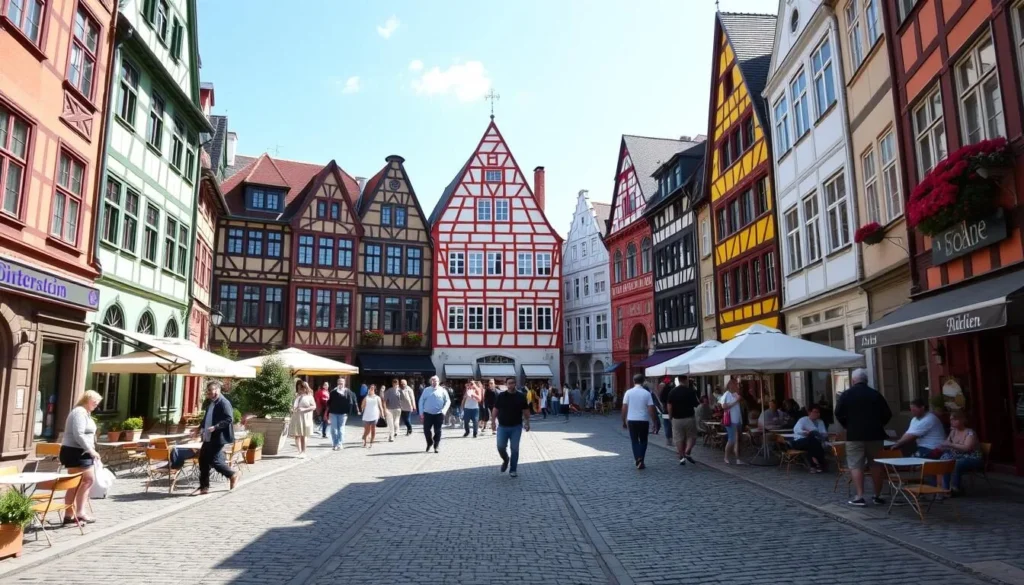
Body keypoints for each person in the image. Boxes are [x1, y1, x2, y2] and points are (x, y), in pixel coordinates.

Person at [835, 368, 892, 507]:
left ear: (853, 380)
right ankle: (877, 495)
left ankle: (860, 496)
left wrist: (847, 425)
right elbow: (887, 414)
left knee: (856, 465)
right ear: (866, 380)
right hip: (875, 434)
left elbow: (838, 413)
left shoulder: (847, 394)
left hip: (854, 435)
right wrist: (879, 425)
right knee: (876, 464)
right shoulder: (875, 394)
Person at [59, 390, 103, 524]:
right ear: (87, 399)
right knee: (87, 480)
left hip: (81, 452)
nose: (97, 404)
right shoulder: (79, 412)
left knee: (77, 483)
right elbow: (78, 434)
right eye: (95, 401)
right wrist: (90, 450)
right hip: (76, 452)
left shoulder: (85, 413)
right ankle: (79, 513)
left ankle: (70, 515)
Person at [191, 381, 238, 495]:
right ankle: (204, 487)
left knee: (214, 460)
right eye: (208, 392)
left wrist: (216, 427)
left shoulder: (224, 403)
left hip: (218, 437)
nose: (209, 394)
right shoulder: (211, 403)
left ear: (217, 390)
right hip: (208, 436)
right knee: (203, 460)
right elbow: (206, 419)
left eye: (210, 391)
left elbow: (229, 419)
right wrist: (198, 428)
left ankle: (232, 474)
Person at [492, 380, 531, 477]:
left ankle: (513, 469)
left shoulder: (521, 396)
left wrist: (527, 423)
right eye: (509, 383)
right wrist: (493, 422)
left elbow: (526, 411)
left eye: (513, 383)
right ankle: (506, 459)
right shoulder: (501, 396)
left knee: (514, 449)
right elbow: (495, 409)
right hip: (502, 427)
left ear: (515, 384)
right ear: (506, 385)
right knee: (500, 447)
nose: (511, 385)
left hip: (516, 427)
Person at [938, 411, 983, 495]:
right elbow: (947, 443)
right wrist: (943, 446)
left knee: (955, 464)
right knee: (944, 461)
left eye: (955, 419)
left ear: (962, 420)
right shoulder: (953, 432)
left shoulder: (970, 432)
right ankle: (945, 488)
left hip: (971, 458)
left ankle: (955, 489)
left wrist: (951, 445)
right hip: (958, 456)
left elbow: (967, 448)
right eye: (951, 420)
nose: (952, 422)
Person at [622, 373, 657, 469]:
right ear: (643, 381)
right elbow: (651, 409)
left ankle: (638, 459)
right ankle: (641, 459)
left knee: (634, 441)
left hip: (632, 419)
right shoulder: (646, 393)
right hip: (643, 420)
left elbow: (624, 407)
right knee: (643, 440)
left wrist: (623, 420)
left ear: (633, 381)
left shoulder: (628, 393)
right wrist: (654, 421)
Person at [667, 379, 700, 465]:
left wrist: (670, 416)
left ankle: (681, 456)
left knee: (678, 438)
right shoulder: (690, 391)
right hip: (689, 418)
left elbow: (669, 405)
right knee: (691, 436)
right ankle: (687, 451)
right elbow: (697, 403)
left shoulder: (672, 392)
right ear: (686, 381)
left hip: (677, 418)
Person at [792, 405, 829, 473]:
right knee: (812, 438)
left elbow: (824, 433)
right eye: (815, 412)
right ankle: (820, 463)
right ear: (809, 412)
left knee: (812, 443)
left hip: (814, 442)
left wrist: (822, 434)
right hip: (800, 441)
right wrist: (805, 432)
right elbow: (796, 429)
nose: (817, 414)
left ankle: (814, 465)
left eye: (818, 412)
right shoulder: (803, 420)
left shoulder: (820, 421)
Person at [419, 376, 451, 453]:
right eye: (433, 381)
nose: (434, 382)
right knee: (426, 430)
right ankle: (429, 442)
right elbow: (421, 401)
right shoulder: (426, 390)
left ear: (438, 381)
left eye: (436, 381)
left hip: (439, 414)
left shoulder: (443, 390)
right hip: (427, 414)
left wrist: (444, 411)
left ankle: (436, 445)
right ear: (431, 382)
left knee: (438, 431)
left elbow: (448, 401)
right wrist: (421, 413)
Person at [328, 377, 359, 450]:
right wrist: (328, 412)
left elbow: (353, 400)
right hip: (333, 413)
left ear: (344, 383)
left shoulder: (348, 392)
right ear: (337, 383)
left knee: (341, 430)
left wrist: (355, 410)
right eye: (339, 383)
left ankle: (340, 444)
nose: (340, 384)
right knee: (334, 430)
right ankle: (335, 444)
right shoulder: (333, 392)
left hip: (343, 414)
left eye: (342, 383)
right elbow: (329, 402)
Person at [718, 382, 744, 465]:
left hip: (737, 420)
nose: (736, 386)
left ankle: (737, 458)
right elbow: (724, 406)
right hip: (731, 420)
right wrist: (736, 401)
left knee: (737, 440)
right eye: (735, 384)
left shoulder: (736, 394)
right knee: (731, 439)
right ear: (730, 386)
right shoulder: (726, 394)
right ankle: (726, 457)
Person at [290, 381, 317, 457]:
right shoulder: (296, 396)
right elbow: (293, 405)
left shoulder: (309, 397)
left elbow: (314, 406)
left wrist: (304, 409)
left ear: (305, 388)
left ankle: (303, 452)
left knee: (303, 435)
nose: (300, 390)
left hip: (305, 418)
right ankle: (299, 452)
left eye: (301, 388)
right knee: (296, 435)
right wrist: (292, 409)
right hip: (296, 417)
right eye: (298, 388)